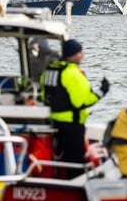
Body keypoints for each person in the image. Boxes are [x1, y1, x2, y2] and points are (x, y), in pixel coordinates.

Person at [41, 39, 109, 178]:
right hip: (72, 124)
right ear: (72, 55)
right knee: (75, 162)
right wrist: (102, 91)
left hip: (53, 121)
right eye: (80, 52)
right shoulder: (72, 73)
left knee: (60, 157)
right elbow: (82, 101)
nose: (82, 55)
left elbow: (43, 94)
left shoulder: (50, 70)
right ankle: (75, 185)